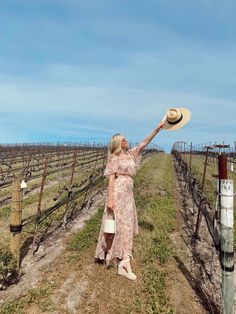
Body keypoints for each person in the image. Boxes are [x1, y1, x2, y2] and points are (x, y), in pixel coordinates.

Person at [94, 119, 165, 280]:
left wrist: (157, 129)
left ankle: (123, 257)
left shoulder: (130, 154)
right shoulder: (114, 157)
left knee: (127, 225)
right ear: (118, 143)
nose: (127, 140)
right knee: (118, 224)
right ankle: (123, 260)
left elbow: (144, 143)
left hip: (128, 193)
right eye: (123, 139)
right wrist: (110, 200)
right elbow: (111, 179)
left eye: (126, 139)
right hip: (118, 193)